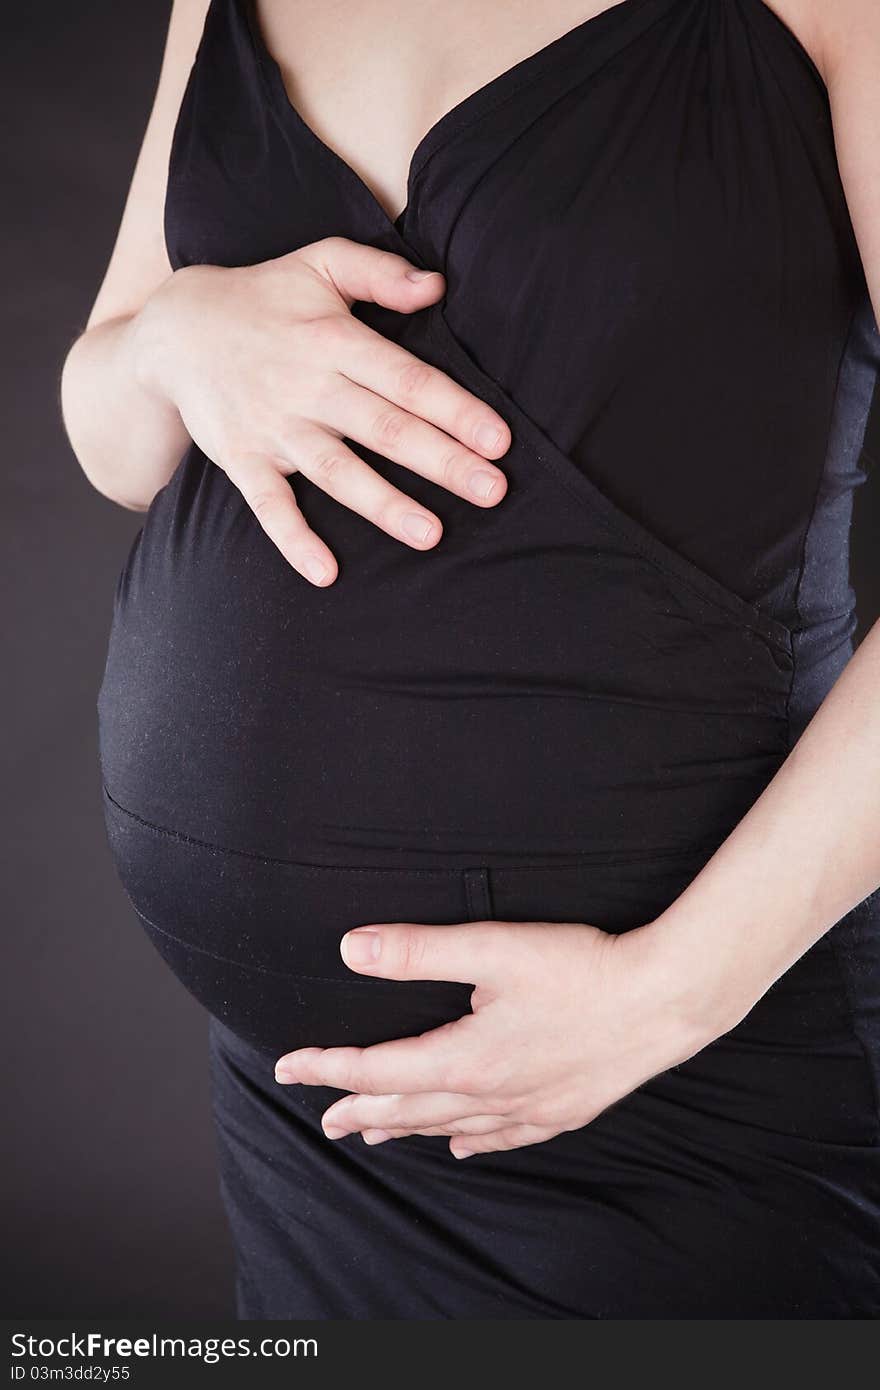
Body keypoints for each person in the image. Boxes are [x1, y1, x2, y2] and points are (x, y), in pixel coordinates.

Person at [60, 0, 880, 1318]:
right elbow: (113, 431)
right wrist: (174, 337)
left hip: (689, 1087)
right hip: (316, 1120)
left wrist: (673, 995)